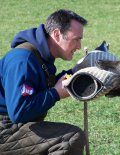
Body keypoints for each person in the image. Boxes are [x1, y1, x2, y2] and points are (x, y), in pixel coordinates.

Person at [0, 9, 88, 155]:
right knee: (71, 137)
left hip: (11, 125)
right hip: (5, 129)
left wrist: (79, 70)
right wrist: (55, 94)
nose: (79, 46)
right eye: (76, 39)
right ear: (57, 34)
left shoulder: (40, 54)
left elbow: (52, 82)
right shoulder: (24, 60)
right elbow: (19, 112)